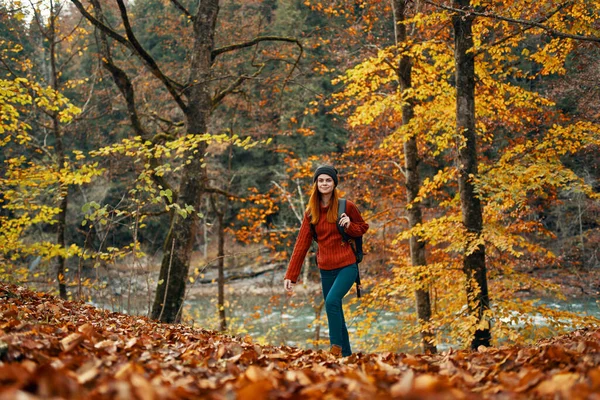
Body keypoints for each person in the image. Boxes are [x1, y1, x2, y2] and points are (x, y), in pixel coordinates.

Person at [284, 165, 369, 357]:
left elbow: (362, 227)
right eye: (321, 180)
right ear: (316, 184)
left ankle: (335, 351)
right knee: (335, 310)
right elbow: (301, 244)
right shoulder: (310, 213)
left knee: (331, 301)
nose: (324, 183)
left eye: (328, 180)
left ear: (334, 183)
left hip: (347, 265)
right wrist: (291, 275)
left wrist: (349, 226)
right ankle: (347, 357)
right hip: (326, 269)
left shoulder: (346, 206)